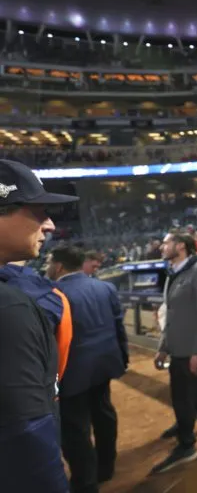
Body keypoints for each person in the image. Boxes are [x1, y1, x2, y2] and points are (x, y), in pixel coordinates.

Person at [0, 159, 79, 492]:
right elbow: (26, 429)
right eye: (37, 211)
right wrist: (49, 461)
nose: (49, 225)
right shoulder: (11, 306)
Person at [47, 245, 129, 493]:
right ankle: (106, 467)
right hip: (104, 365)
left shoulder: (53, 292)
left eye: (49, 263)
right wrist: (122, 359)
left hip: (72, 371)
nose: (47, 267)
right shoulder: (105, 287)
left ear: (59, 266)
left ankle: (85, 482)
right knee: (104, 414)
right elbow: (119, 328)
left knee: (75, 429)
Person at [151, 230, 197, 474]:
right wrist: (163, 348)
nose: (161, 246)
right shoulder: (173, 272)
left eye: (166, 242)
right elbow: (169, 315)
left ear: (181, 246)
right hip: (178, 351)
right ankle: (186, 444)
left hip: (196, 351)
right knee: (181, 399)